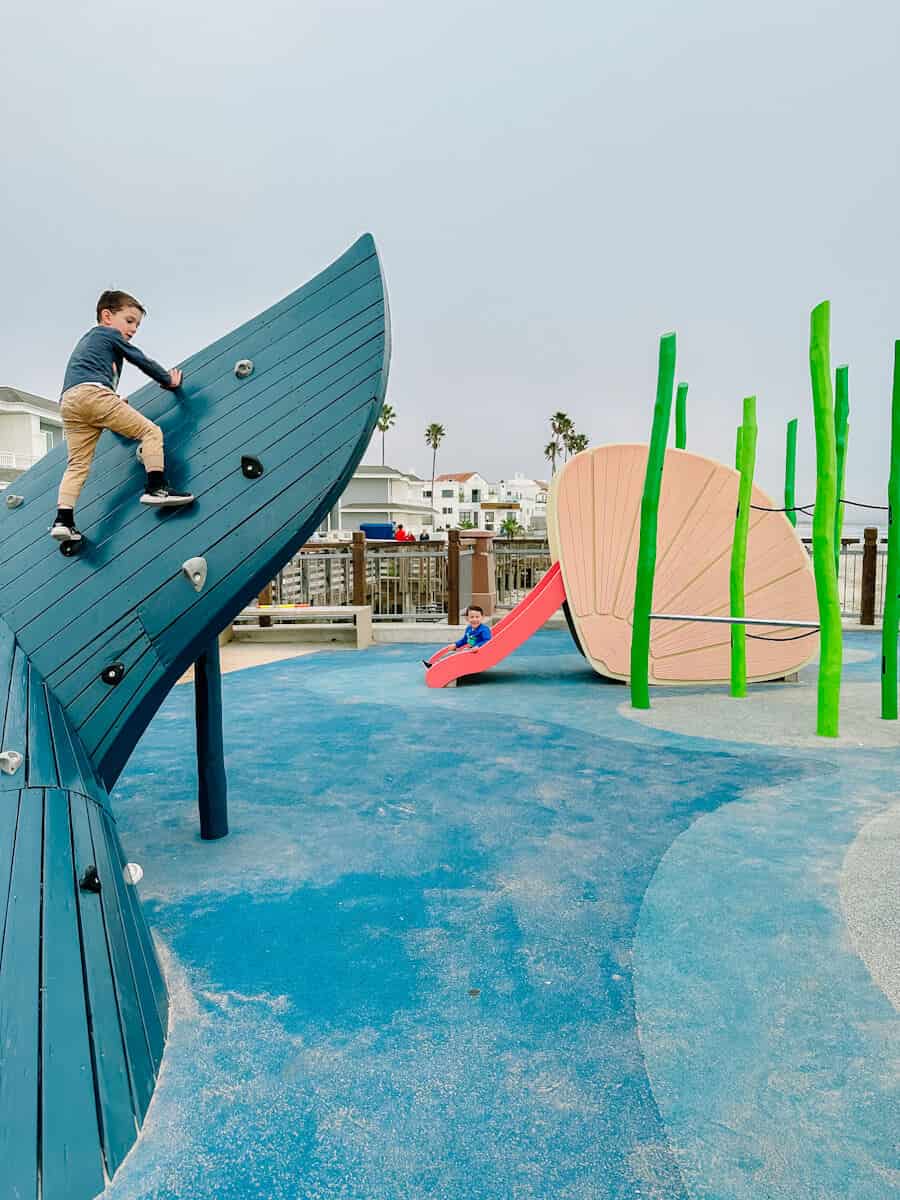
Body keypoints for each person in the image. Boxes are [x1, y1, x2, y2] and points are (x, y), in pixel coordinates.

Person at [50, 289, 194, 543]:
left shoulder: (89, 342)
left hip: (70, 403)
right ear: (107, 316)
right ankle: (156, 488)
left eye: (137, 325)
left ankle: (63, 520)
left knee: (78, 465)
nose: (133, 329)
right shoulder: (108, 334)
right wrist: (168, 380)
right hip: (92, 395)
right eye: (129, 321)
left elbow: (88, 374)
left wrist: (112, 398)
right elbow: (140, 360)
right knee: (151, 432)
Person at [422, 604, 492, 668]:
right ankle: (435, 665)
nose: (474, 619)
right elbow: (464, 640)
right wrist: (456, 645)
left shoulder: (484, 629)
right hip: (469, 651)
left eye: (477, 617)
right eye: (472, 617)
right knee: (450, 652)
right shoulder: (469, 628)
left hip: (477, 653)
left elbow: (487, 640)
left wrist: (478, 646)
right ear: (467, 618)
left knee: (455, 655)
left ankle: (438, 666)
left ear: (482, 617)